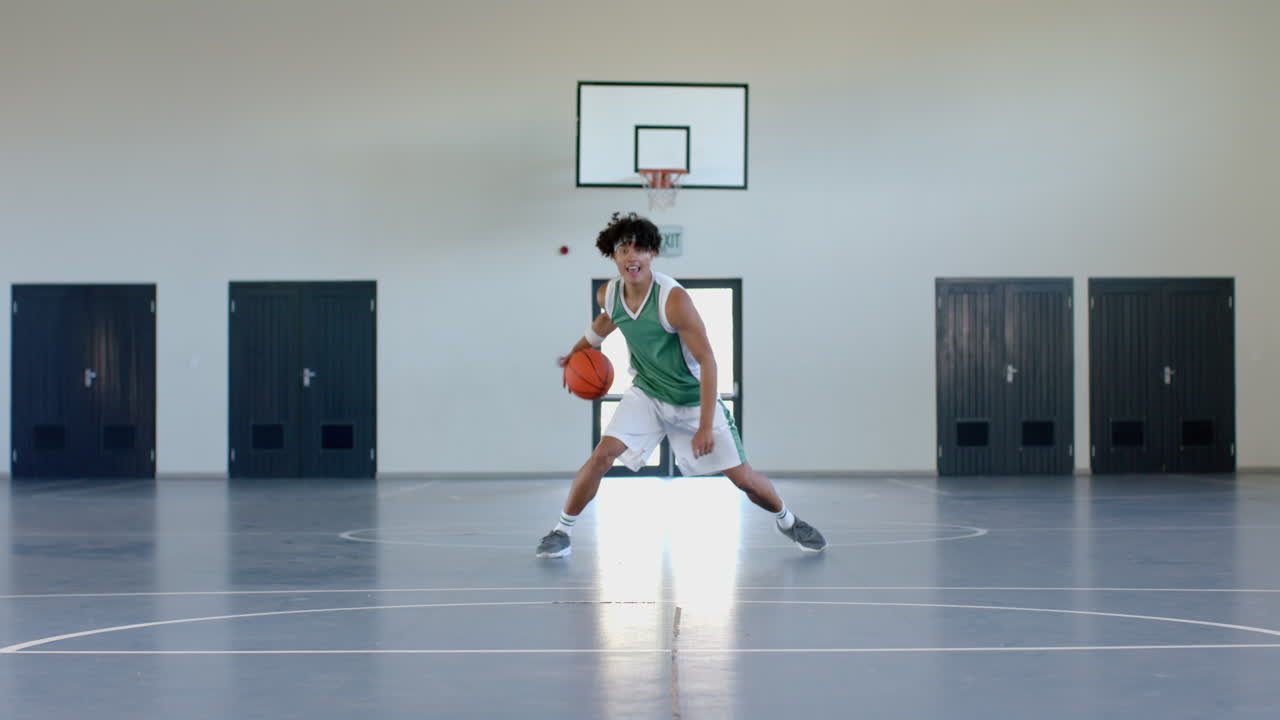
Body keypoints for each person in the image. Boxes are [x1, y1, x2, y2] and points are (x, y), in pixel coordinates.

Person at [536, 212, 827, 558]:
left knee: (743, 479)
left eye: (640, 249)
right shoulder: (609, 294)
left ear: (652, 254)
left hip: (692, 399)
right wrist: (574, 356)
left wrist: (705, 425)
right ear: (613, 256)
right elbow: (604, 322)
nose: (632, 256)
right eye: (623, 249)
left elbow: (708, 361)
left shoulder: (673, 301)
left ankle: (787, 519)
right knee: (603, 455)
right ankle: (561, 531)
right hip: (647, 393)